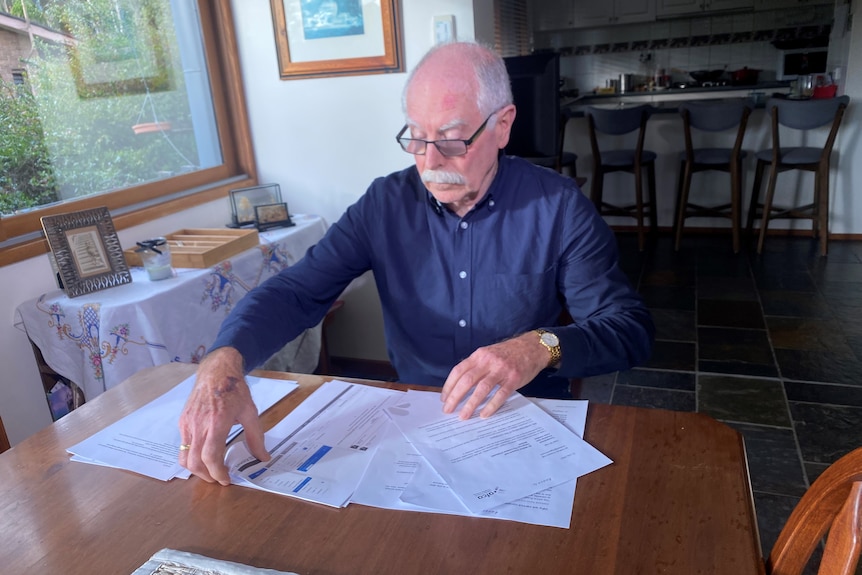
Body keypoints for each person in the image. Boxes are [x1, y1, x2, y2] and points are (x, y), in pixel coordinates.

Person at [179, 41, 654, 485]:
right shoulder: (385, 203)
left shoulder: (558, 207)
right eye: (416, 138)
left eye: (451, 139)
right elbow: (298, 292)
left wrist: (539, 346)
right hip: (415, 421)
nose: (429, 162)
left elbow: (629, 329)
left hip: (525, 418)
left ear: (503, 125)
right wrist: (225, 359)